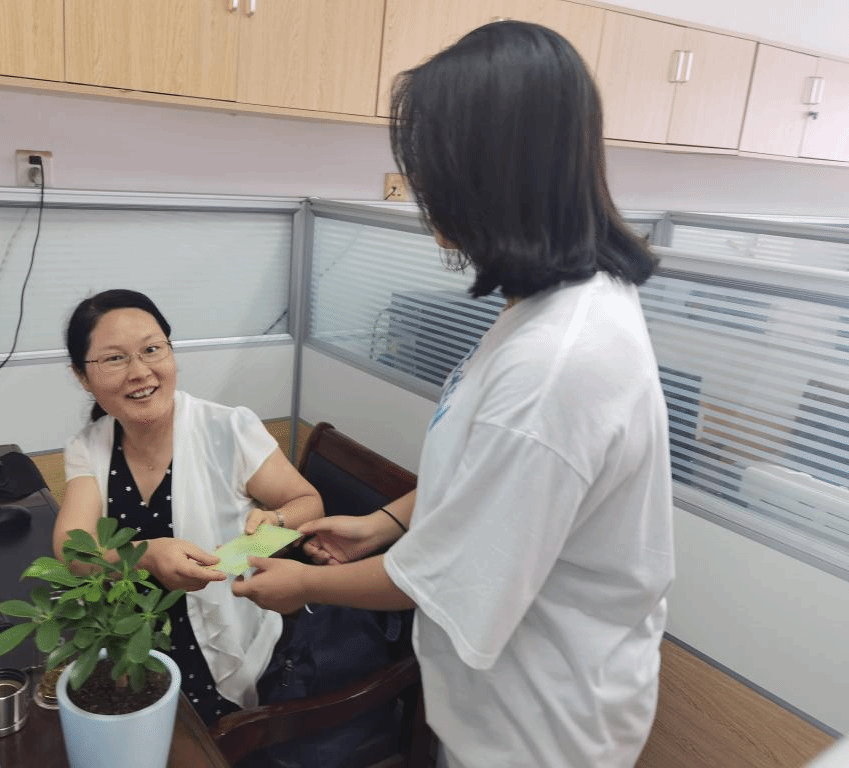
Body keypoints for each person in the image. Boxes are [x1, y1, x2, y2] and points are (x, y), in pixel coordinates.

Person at [233, 20, 675, 768]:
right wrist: (383, 522)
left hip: (537, 732)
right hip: (500, 698)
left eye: (432, 174)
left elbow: (455, 580)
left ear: (492, 178)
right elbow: (485, 472)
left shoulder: (557, 365)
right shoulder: (553, 304)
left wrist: (305, 582)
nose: (421, 196)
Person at [54, 288, 323, 726]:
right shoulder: (89, 447)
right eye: (115, 359)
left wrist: (267, 529)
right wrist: (146, 556)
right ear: (83, 377)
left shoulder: (228, 428)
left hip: (227, 644)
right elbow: (72, 550)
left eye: (152, 350)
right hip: (127, 643)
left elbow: (308, 505)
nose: (140, 372)